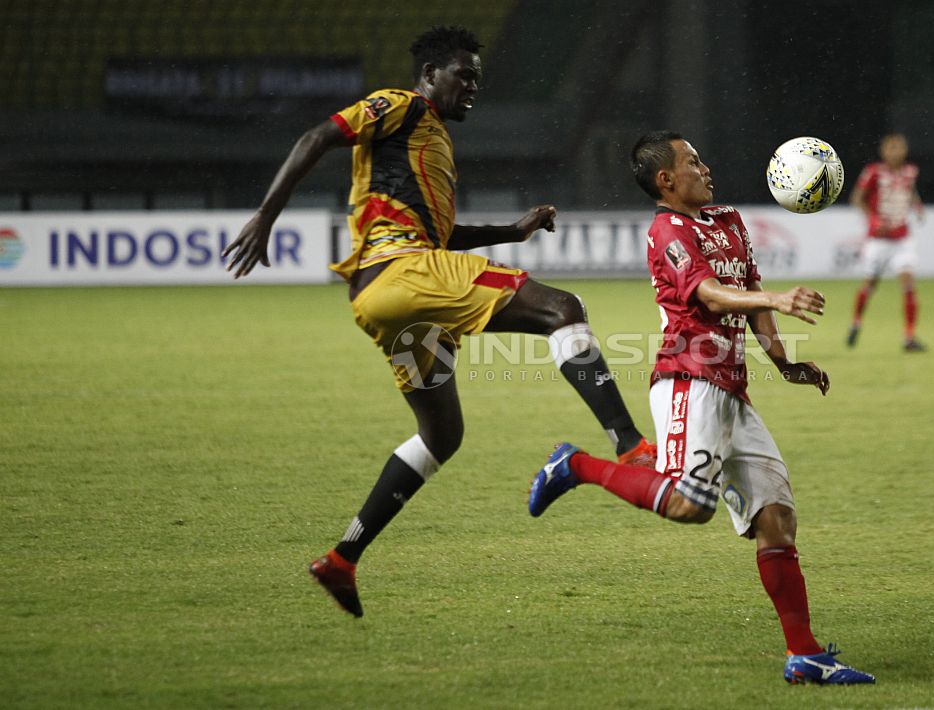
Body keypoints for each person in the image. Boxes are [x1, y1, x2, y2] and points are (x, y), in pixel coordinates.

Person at [221, 25, 654, 618]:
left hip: (379, 300)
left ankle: (342, 559)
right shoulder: (402, 105)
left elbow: (441, 235)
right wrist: (266, 216)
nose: (473, 85)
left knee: (442, 435)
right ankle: (630, 448)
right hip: (404, 273)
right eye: (463, 74)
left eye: (477, 76)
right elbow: (319, 135)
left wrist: (511, 232)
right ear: (429, 76)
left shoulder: (428, 146)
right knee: (564, 310)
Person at [526, 131, 875, 686]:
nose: (704, 166)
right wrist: (778, 299)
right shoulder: (667, 230)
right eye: (691, 162)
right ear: (666, 180)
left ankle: (804, 654)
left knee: (777, 520)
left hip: (732, 390)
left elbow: (749, 287)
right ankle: (573, 465)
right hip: (688, 379)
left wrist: (783, 360)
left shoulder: (730, 220)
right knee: (692, 506)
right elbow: (711, 294)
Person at [846, 132, 927, 352]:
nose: (896, 152)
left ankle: (909, 337)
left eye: (899, 148)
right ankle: (856, 323)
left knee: (908, 282)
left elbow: (910, 192)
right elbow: (857, 197)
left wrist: (917, 206)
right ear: (883, 151)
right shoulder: (874, 172)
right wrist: (873, 219)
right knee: (870, 284)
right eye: (891, 148)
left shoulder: (910, 172)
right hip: (878, 240)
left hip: (902, 238)